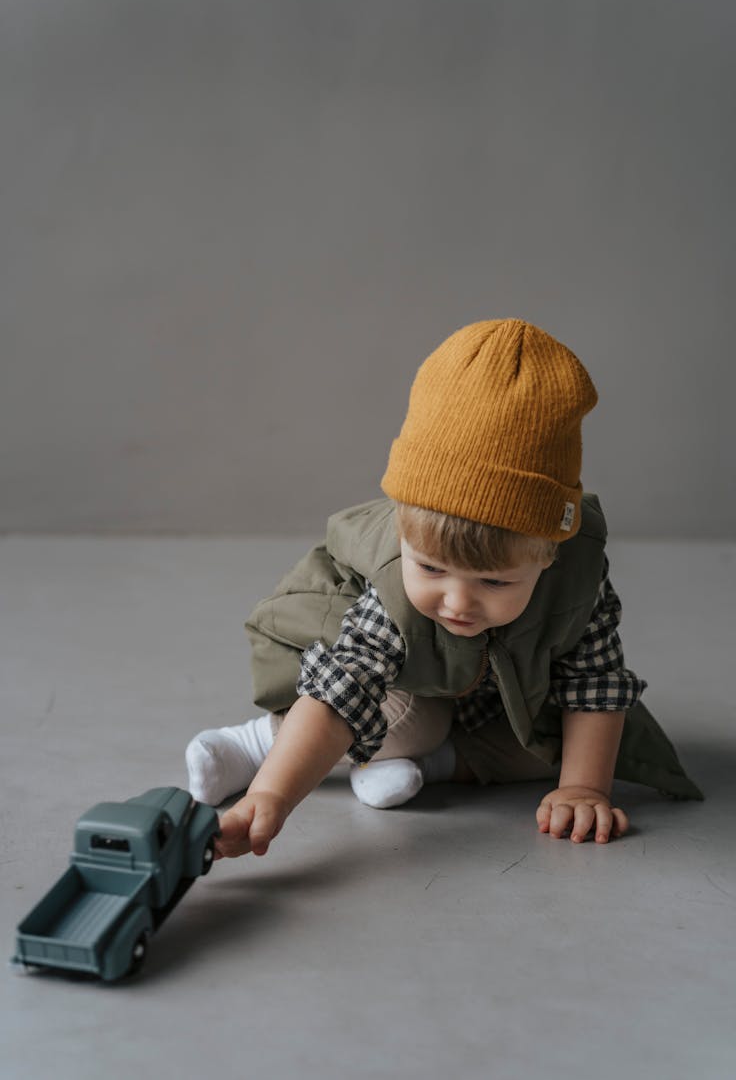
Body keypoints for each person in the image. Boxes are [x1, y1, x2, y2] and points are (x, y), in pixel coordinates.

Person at [185, 318, 701, 859]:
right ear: (405, 533)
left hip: (494, 696)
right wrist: (271, 794)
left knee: (561, 747)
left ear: (549, 554)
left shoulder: (576, 583)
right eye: (430, 569)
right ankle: (255, 744)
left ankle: (417, 769)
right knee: (408, 721)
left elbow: (594, 687)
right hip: (404, 688)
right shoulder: (392, 593)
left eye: (494, 580)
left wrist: (584, 787)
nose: (457, 601)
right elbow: (342, 694)